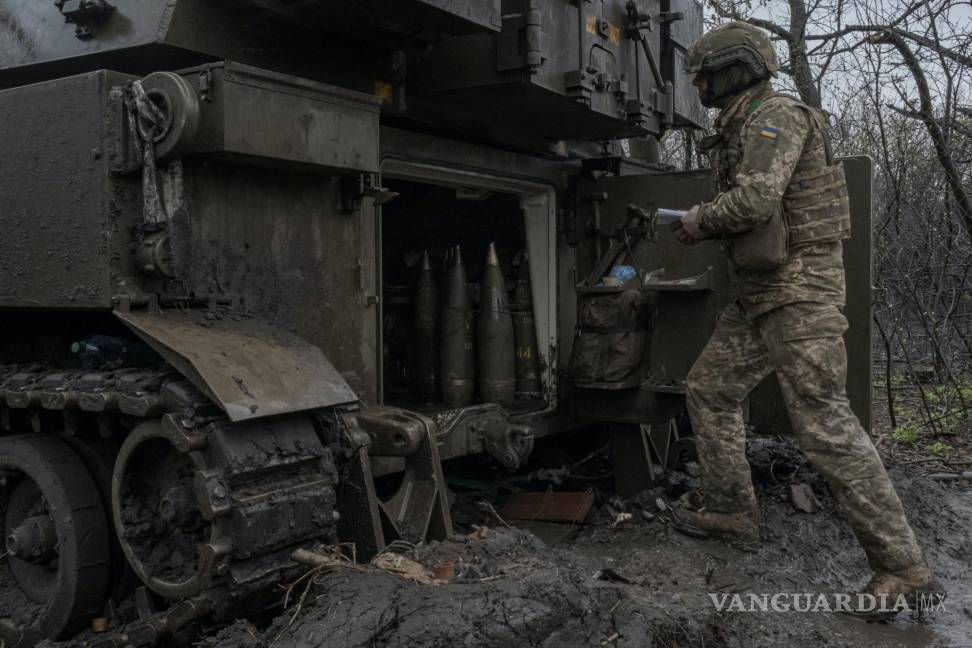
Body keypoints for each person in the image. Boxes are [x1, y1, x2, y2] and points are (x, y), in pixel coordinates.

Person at [669, 20, 943, 619]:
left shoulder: (776, 116)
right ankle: (731, 508)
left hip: (798, 296)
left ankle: (902, 567)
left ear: (733, 70)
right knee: (710, 388)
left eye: (705, 78)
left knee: (824, 425)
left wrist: (701, 218)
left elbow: (757, 201)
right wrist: (705, 222)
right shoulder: (743, 122)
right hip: (762, 293)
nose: (702, 89)